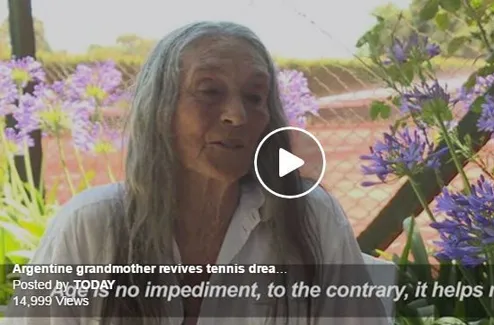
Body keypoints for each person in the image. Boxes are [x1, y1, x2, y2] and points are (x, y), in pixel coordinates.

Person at [5, 21, 389, 325]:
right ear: (161, 109)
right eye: (209, 91)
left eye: (255, 97)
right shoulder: (89, 227)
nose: (235, 115)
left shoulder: (311, 217)